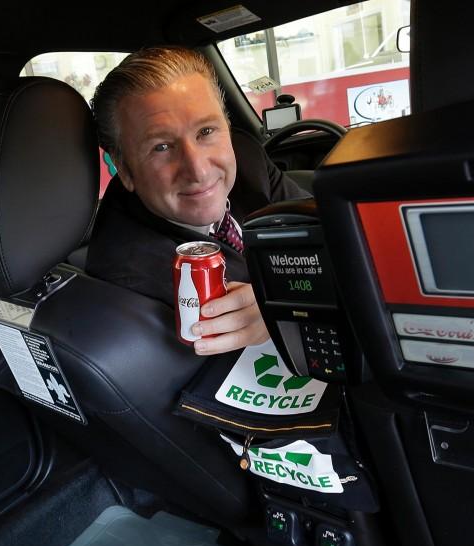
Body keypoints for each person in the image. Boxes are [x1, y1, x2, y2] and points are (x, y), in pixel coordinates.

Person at [86, 46, 308, 355]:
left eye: (206, 131)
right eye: (162, 147)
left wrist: (284, 299)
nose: (199, 170)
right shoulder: (133, 278)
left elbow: (330, 231)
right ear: (124, 170)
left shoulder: (246, 158)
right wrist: (290, 312)